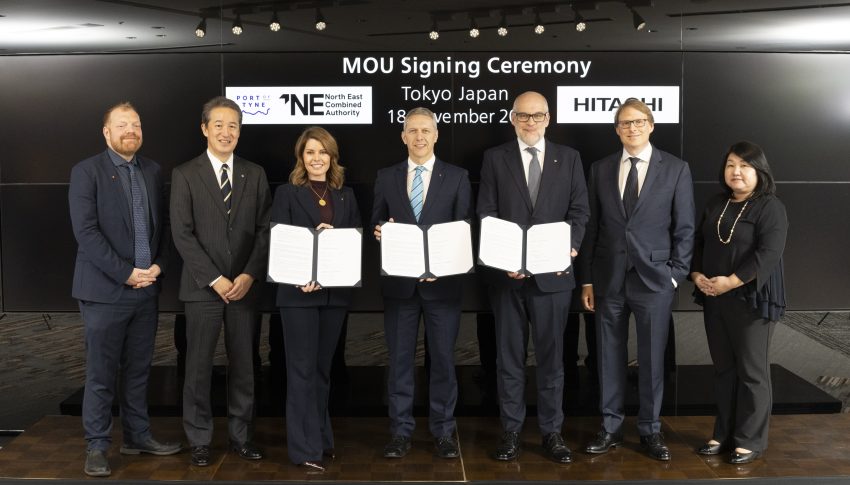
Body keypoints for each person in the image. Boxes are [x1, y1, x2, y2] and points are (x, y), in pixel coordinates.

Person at [579, 97, 694, 461]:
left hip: (654, 280)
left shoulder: (675, 168)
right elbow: (592, 228)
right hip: (608, 279)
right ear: (617, 129)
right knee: (607, 357)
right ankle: (610, 428)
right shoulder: (600, 169)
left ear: (651, 125)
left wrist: (675, 276)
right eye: (625, 123)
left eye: (638, 121)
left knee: (652, 360)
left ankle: (650, 430)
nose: (632, 128)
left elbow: (685, 227)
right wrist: (587, 280)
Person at [69, 102, 180, 477]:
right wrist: (126, 273)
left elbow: (164, 227)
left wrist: (159, 265)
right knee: (101, 375)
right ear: (106, 132)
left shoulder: (152, 170)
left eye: (136, 124)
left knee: (138, 372)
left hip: (146, 290)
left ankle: (137, 436)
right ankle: (97, 446)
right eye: (122, 125)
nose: (130, 130)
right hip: (105, 291)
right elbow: (86, 233)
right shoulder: (87, 171)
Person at [477, 91, 589, 464]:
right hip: (507, 279)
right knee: (508, 360)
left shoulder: (569, 158)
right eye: (523, 115)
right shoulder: (495, 158)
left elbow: (579, 212)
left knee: (553, 360)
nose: (530, 122)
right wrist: (502, 257)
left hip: (553, 277)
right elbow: (486, 213)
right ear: (512, 119)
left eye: (537, 115)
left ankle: (551, 432)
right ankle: (510, 432)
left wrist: (568, 248)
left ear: (548, 118)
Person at [170, 96, 272, 467]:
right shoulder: (185, 174)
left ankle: (241, 437)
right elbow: (182, 234)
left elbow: (265, 230)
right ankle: (199, 440)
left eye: (233, 126)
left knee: (244, 366)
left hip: (244, 288)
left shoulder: (254, 173)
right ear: (205, 129)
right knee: (197, 368)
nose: (226, 132)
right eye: (219, 125)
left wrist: (248, 274)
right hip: (202, 289)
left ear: (239, 131)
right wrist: (215, 278)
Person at [371, 107, 472, 459]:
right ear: (403, 136)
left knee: (443, 361)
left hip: (443, 287)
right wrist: (379, 230)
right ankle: (400, 432)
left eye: (425, 130)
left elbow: (464, 230)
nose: (419, 137)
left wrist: (441, 266)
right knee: (400, 362)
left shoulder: (457, 177)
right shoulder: (386, 177)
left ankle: (444, 432)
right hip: (400, 285)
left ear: (436, 135)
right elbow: (376, 221)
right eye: (412, 130)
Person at [691, 141, 787, 465]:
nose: (737, 172)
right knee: (724, 370)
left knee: (751, 371)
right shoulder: (716, 203)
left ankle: (750, 440)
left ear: (759, 171)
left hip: (751, 299)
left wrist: (731, 281)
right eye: (731, 164)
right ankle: (723, 434)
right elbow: (698, 243)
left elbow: (768, 254)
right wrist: (697, 275)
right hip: (714, 297)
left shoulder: (770, 207)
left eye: (745, 166)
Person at [271, 127, 361, 472]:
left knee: (323, 371)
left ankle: (322, 439)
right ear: (301, 157)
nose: (317, 158)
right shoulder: (287, 193)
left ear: (332, 157)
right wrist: (302, 274)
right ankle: (303, 448)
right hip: (298, 295)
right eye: (310, 152)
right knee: (301, 372)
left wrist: (335, 238)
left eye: (323, 152)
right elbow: (280, 241)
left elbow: (354, 244)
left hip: (334, 295)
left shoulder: (346, 196)